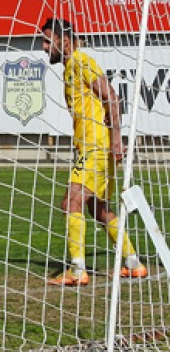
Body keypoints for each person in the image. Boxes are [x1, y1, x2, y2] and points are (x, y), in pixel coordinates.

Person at [41, 18, 148, 285]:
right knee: (99, 210)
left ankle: (78, 271)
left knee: (71, 203)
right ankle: (133, 263)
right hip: (91, 147)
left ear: (64, 40)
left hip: (96, 146)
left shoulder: (81, 61)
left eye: (47, 41)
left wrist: (116, 140)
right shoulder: (70, 67)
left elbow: (111, 96)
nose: (43, 47)